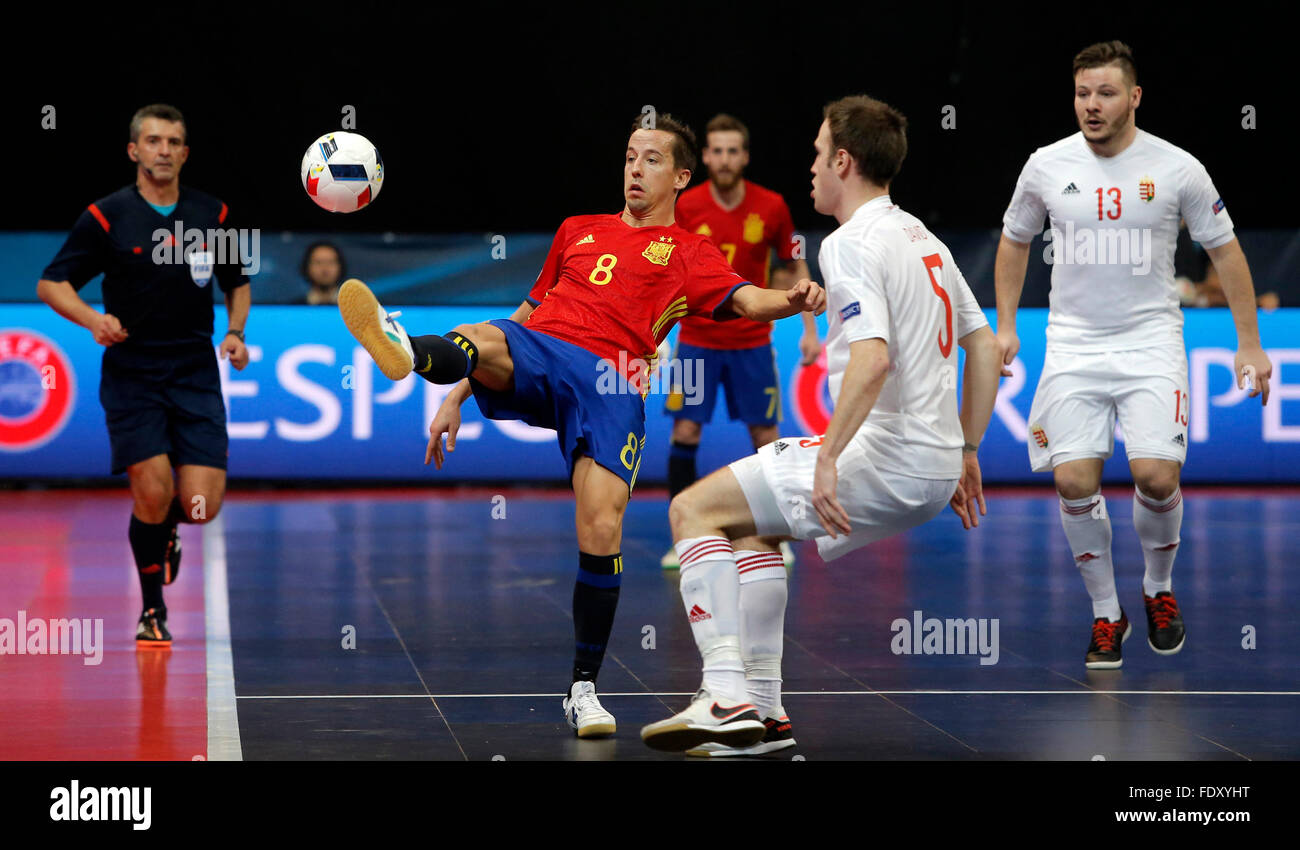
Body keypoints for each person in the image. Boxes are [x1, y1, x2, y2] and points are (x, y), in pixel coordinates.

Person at [337, 113, 825, 738]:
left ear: (680, 176)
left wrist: (790, 300)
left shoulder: (688, 250)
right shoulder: (577, 229)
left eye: (650, 160)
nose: (634, 170)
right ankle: (408, 350)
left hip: (613, 381)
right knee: (486, 334)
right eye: (628, 157)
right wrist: (458, 392)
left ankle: (583, 689)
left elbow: (745, 300)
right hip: (543, 351)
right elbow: (525, 314)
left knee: (600, 525)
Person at [640, 96, 1002, 755]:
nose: (809, 165)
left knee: (693, 511)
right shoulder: (924, 237)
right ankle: (767, 715)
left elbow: (872, 358)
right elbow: (983, 347)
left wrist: (830, 457)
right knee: (755, 526)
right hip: (934, 462)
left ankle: (722, 695)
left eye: (816, 151)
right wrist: (967, 448)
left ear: (844, 160)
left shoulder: (850, 243)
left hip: (882, 458)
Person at [994, 41, 1273, 669]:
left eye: (1106, 93)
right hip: (1073, 343)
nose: (1091, 106)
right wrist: (1006, 324)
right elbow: (1014, 241)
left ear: (1135, 97)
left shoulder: (1178, 168)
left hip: (1151, 342)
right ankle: (1105, 613)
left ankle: (1158, 589)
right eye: (1082, 94)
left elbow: (1225, 251)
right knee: (1072, 480)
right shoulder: (1045, 164)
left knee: (1155, 475)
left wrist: (1248, 342)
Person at [37, 104, 252, 646]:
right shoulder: (107, 216)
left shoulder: (214, 214)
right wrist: (92, 320)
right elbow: (51, 284)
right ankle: (152, 609)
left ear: (185, 152)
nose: (163, 150)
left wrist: (236, 332)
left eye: (173, 141)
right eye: (153, 141)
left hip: (195, 371)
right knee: (151, 493)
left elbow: (236, 281)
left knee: (201, 506)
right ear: (134, 150)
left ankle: (169, 532)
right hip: (133, 372)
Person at [660, 114, 820, 570]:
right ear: (705, 156)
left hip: (752, 342)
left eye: (734, 150)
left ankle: (774, 534)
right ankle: (682, 540)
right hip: (697, 340)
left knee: (766, 436)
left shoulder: (771, 206)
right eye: (717, 150)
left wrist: (810, 331)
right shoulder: (685, 207)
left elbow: (794, 268)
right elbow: (665, 274)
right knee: (686, 431)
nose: (725, 158)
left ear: (744, 156)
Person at [300, 240, 345, 305]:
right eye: (318, 262)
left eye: (331, 262)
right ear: (307, 267)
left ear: (340, 267)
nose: (325, 269)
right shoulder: (292, 308)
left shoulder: (353, 309)